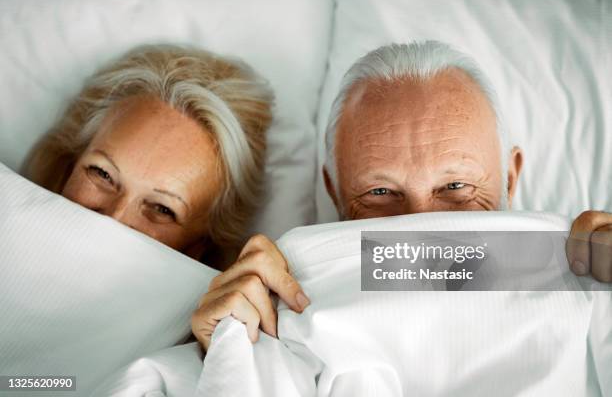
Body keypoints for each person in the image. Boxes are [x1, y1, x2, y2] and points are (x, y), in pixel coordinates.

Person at [192, 40, 611, 350]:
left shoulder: (589, 290)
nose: (419, 224)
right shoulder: (276, 316)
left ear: (510, 178)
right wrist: (225, 349)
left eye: (455, 187)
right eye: (380, 192)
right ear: (335, 193)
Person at [22, 44, 311, 350]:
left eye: (162, 209)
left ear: (198, 248)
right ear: (69, 165)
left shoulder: (184, 358)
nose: (113, 220)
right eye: (102, 174)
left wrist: (217, 352)